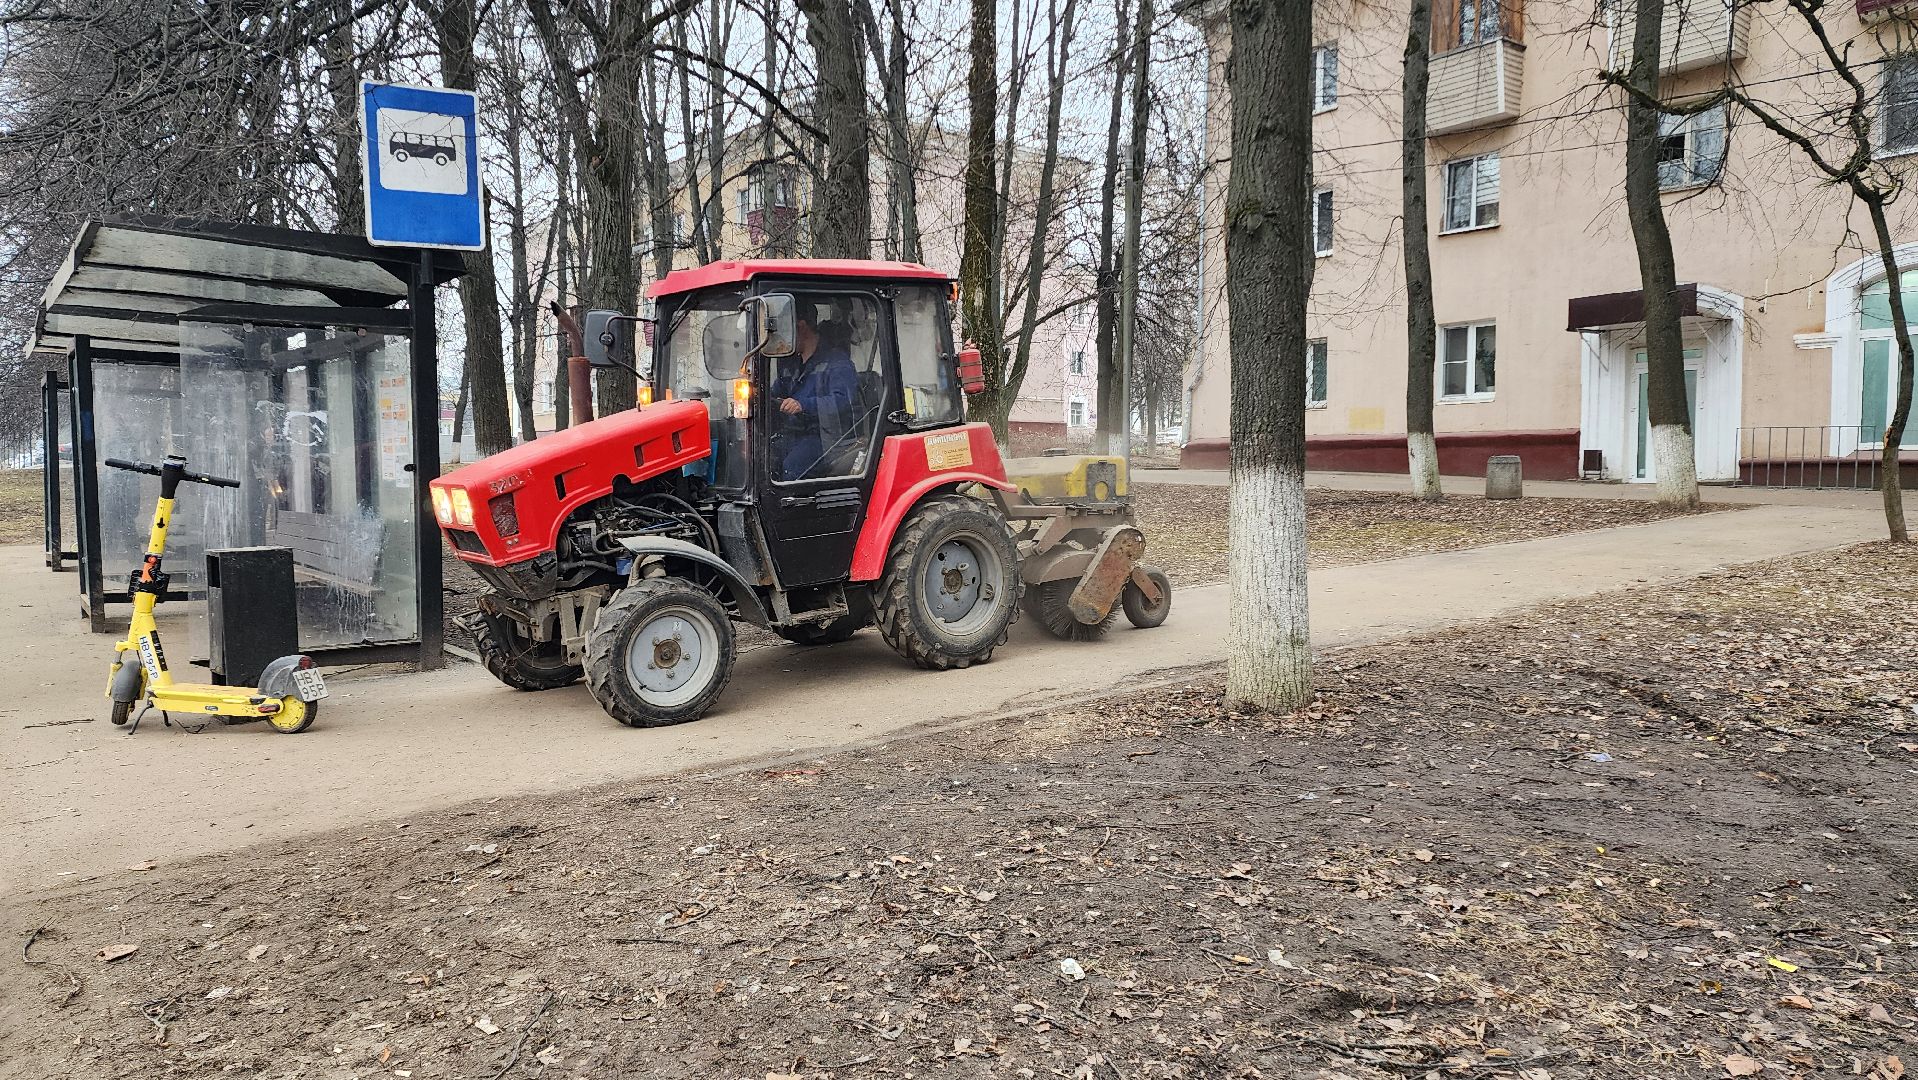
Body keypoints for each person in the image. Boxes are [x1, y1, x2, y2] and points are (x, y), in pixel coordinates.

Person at [770, 307, 859, 480]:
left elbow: (843, 400)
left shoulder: (837, 361)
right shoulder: (791, 364)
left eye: (784, 331)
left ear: (801, 327)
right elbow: (776, 392)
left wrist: (802, 405)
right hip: (794, 434)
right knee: (763, 458)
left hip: (827, 437)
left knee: (792, 466)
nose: (781, 338)